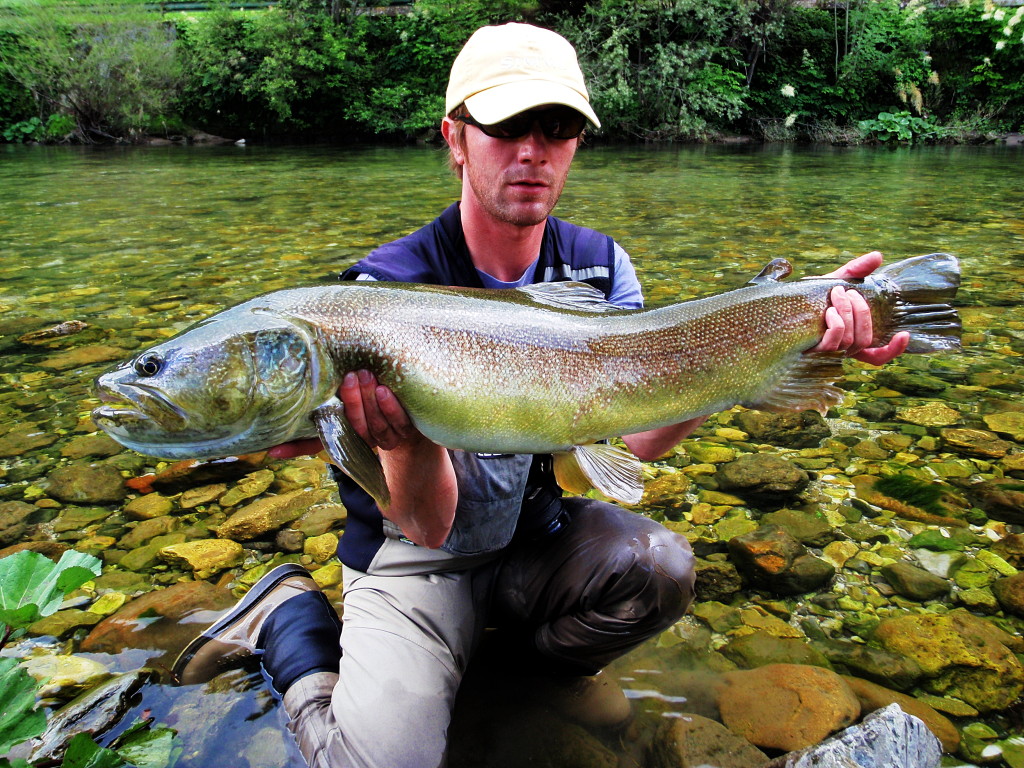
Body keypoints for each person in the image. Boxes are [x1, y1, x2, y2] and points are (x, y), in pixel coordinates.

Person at [172, 22, 908, 768]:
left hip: (533, 543)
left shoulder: (598, 264)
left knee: (659, 569)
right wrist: (405, 438)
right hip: (417, 557)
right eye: (506, 126)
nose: (533, 151)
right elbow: (427, 524)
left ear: (576, 143)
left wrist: (760, 348)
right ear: (455, 138)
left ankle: (508, 679)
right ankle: (287, 621)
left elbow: (641, 441)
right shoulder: (384, 295)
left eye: (556, 128)